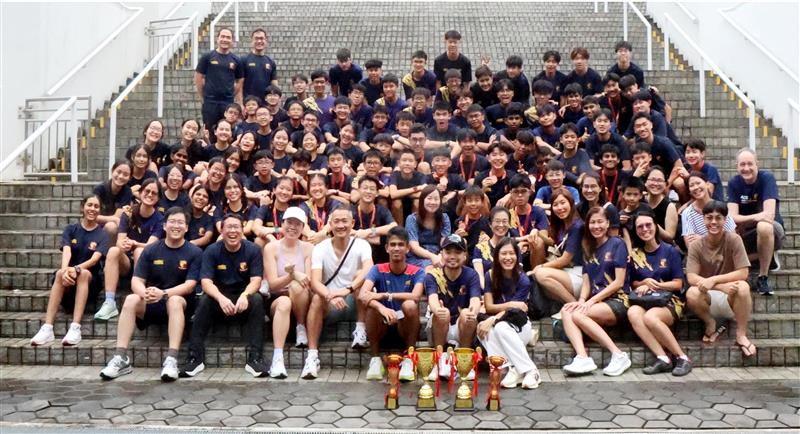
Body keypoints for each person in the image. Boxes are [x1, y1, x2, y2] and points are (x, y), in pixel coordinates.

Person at [99, 207, 203, 381]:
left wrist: (164, 293)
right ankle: (121, 357)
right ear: (164, 226)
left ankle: (172, 359)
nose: (176, 226)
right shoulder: (151, 249)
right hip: (153, 300)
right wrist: (145, 293)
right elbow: (136, 280)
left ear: (186, 227)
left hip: (179, 304)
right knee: (131, 299)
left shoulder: (194, 252)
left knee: (175, 300)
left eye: (180, 223)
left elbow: (190, 285)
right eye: (172, 222)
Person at [182, 213, 267, 377]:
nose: (233, 231)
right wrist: (220, 298)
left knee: (257, 299)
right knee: (204, 300)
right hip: (220, 300)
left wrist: (245, 295)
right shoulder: (212, 250)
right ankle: (194, 358)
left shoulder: (253, 250)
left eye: (236, 227)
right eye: (229, 227)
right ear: (221, 230)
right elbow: (206, 282)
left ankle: (256, 358)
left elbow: (256, 281)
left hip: (243, 299)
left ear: (242, 230)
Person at [304, 208, 375, 378]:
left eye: (345, 221)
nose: (341, 225)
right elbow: (315, 281)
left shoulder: (362, 244)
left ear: (352, 223)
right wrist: (329, 295)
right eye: (336, 221)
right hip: (331, 302)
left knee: (362, 278)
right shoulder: (320, 248)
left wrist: (348, 289)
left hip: (356, 299)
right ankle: (312, 356)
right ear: (330, 224)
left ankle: (360, 329)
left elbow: (369, 268)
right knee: (316, 299)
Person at [30, 195, 109, 347]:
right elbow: (67, 251)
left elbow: (94, 260)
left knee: (83, 273)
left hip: (90, 281)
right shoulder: (71, 229)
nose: (92, 209)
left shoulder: (102, 234)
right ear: (82, 207)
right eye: (89, 205)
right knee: (60, 274)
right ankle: (47, 328)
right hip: (69, 280)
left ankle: (75, 328)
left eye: (96, 206)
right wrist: (65, 271)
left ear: (99, 210)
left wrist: (76, 268)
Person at [561, 206, 631, 376]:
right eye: (592, 222)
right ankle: (582, 358)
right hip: (597, 301)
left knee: (578, 315)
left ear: (607, 224)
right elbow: (586, 282)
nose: (596, 226)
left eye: (600, 222)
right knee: (567, 310)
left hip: (618, 299)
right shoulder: (588, 248)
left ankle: (619, 355)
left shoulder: (617, 244)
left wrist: (591, 301)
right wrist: (581, 300)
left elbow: (618, 282)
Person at [685, 200, 757, 358]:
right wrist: (719, 286)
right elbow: (691, 277)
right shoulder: (696, 245)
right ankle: (710, 322)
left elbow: (743, 272)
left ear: (725, 220)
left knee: (743, 287)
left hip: (731, 296)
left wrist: (714, 280)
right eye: (709, 218)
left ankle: (741, 335)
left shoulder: (734, 239)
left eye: (718, 218)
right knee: (691, 292)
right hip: (707, 296)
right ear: (703, 219)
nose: (713, 222)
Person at [626, 211, 692, 376]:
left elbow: (678, 284)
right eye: (640, 226)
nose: (645, 229)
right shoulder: (635, 254)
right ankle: (663, 358)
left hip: (671, 300)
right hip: (645, 300)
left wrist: (656, 285)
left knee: (650, 317)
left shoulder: (670, 251)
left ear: (655, 226)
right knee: (633, 312)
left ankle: (682, 357)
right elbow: (633, 283)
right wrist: (644, 283)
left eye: (648, 225)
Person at [360, 226, 425, 382]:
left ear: (408, 248)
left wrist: (385, 295)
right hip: (382, 323)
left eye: (401, 245)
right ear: (387, 248)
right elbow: (363, 294)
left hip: (405, 324)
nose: (396, 248)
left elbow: (416, 296)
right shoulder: (377, 269)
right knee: (372, 306)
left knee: (410, 305)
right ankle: (375, 359)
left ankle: (409, 358)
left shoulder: (418, 271)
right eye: (393, 244)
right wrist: (381, 307)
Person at [476, 237, 541, 389]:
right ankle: (512, 368)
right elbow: (489, 306)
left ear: (517, 256)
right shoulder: (490, 275)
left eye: (512, 254)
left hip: (520, 326)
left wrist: (493, 319)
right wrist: (510, 304)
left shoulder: (523, 279)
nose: (508, 257)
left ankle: (532, 371)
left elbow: (514, 312)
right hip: (501, 325)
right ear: (497, 256)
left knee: (499, 327)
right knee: (483, 330)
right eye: (503, 253)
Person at [95, 179, 163, 321]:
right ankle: (109, 302)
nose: (150, 195)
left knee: (139, 251)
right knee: (113, 250)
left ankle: (137, 296)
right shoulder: (128, 213)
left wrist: (134, 243)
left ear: (158, 198)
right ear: (140, 193)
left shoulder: (159, 219)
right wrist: (124, 244)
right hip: (127, 262)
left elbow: (151, 246)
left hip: (147, 263)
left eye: (154, 193)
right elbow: (120, 241)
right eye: (147, 191)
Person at [263, 207, 314, 378]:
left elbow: (308, 280)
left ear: (303, 227)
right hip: (278, 298)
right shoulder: (271, 248)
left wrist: (294, 277)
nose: (293, 227)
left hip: (301, 297)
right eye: (289, 222)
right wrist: (291, 275)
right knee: (285, 301)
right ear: (282, 224)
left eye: (297, 224)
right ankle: (277, 358)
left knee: (297, 286)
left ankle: (301, 325)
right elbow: (272, 285)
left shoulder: (308, 248)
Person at [727, 148, 785, 296]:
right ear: (737, 166)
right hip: (747, 232)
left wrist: (744, 221)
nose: (746, 168)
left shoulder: (767, 178)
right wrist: (756, 217)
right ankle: (762, 258)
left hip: (773, 231)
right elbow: (732, 217)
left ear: (757, 164)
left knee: (763, 226)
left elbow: (769, 216)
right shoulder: (734, 183)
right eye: (742, 164)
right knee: (729, 232)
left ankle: (763, 277)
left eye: (750, 164)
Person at [425, 234, 481, 379]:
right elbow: (432, 299)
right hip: (439, 325)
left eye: (457, 252)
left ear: (464, 255)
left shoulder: (471, 275)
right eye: (448, 252)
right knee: (442, 313)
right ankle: (439, 360)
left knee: (467, 315)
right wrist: (437, 309)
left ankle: (464, 359)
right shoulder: (433, 275)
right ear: (441, 254)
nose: (452, 256)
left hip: (461, 325)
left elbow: (476, 299)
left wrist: (473, 311)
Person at [532, 188, 584, 304]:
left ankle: (574, 305)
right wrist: (536, 231)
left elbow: (565, 260)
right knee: (540, 282)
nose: (560, 208)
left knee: (541, 274)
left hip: (579, 273)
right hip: (567, 272)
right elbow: (552, 242)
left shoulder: (577, 226)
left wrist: (540, 266)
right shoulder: (562, 224)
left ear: (571, 203)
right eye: (555, 205)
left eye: (563, 203)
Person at [195, 28, 243, 143]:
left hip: (227, 103)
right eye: (223, 36)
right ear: (217, 39)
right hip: (210, 102)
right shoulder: (207, 57)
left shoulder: (236, 60)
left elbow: (240, 80)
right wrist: (203, 96)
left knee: (226, 132)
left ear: (232, 41)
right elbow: (198, 76)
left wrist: (232, 94)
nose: (225, 39)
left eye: (228, 37)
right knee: (209, 132)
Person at [681, 171, 736, 249]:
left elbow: (733, 240)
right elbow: (691, 246)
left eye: (698, 183)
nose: (696, 187)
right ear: (689, 191)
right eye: (691, 185)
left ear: (707, 184)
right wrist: (719, 239)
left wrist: (702, 239)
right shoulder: (687, 213)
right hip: (701, 255)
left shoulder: (721, 207)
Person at [405, 186, 452, 270]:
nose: (433, 202)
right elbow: (414, 247)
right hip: (417, 257)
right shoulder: (412, 219)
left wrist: (440, 256)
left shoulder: (444, 218)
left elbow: (444, 243)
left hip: (438, 255)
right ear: (422, 200)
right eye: (429, 198)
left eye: (436, 199)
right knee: (430, 269)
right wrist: (432, 256)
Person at [473, 206, 521, 287]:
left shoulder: (515, 248)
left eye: (504, 221)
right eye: (497, 221)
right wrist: (488, 291)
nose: (501, 225)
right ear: (490, 224)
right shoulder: (480, 248)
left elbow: (518, 275)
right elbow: (479, 276)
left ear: (509, 224)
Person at [300, 173, 344, 244]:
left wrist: (322, 234)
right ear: (309, 189)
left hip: (331, 243)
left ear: (326, 188)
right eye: (313, 185)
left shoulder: (336, 204)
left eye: (320, 185)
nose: (317, 188)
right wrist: (310, 235)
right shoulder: (304, 205)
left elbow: (332, 223)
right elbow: (302, 223)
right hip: (311, 242)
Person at [93, 160, 133, 238]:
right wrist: (113, 219)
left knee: (111, 226)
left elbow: (117, 216)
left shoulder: (127, 191)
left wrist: (113, 219)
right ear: (112, 171)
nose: (121, 176)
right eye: (118, 172)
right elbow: (93, 216)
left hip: (113, 226)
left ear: (129, 178)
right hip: (95, 226)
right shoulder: (99, 189)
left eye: (125, 174)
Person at [242, 28, 278, 102]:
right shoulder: (244, 60)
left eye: (261, 38)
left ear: (266, 40)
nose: (259, 41)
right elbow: (239, 83)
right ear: (252, 40)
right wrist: (240, 102)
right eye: (256, 38)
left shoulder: (271, 62)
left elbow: (274, 85)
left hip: (266, 104)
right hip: (249, 104)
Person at [644, 166, 678, 244]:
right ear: (645, 182)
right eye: (652, 180)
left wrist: (653, 223)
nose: (655, 183)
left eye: (659, 180)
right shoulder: (640, 200)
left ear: (666, 184)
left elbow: (670, 237)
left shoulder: (669, 207)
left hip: (660, 245)